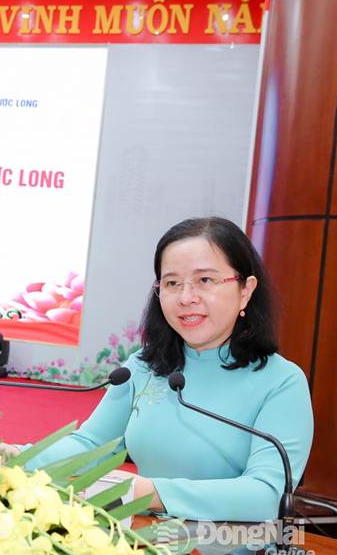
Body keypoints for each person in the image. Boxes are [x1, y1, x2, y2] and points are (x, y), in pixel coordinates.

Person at [22, 217, 313, 522]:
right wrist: (15, 458)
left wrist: (151, 493)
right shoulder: (143, 367)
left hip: (233, 546)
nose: (186, 298)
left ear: (245, 290)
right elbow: (91, 445)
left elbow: (267, 495)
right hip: (143, 538)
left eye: (205, 280)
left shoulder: (282, 382)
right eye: (172, 283)